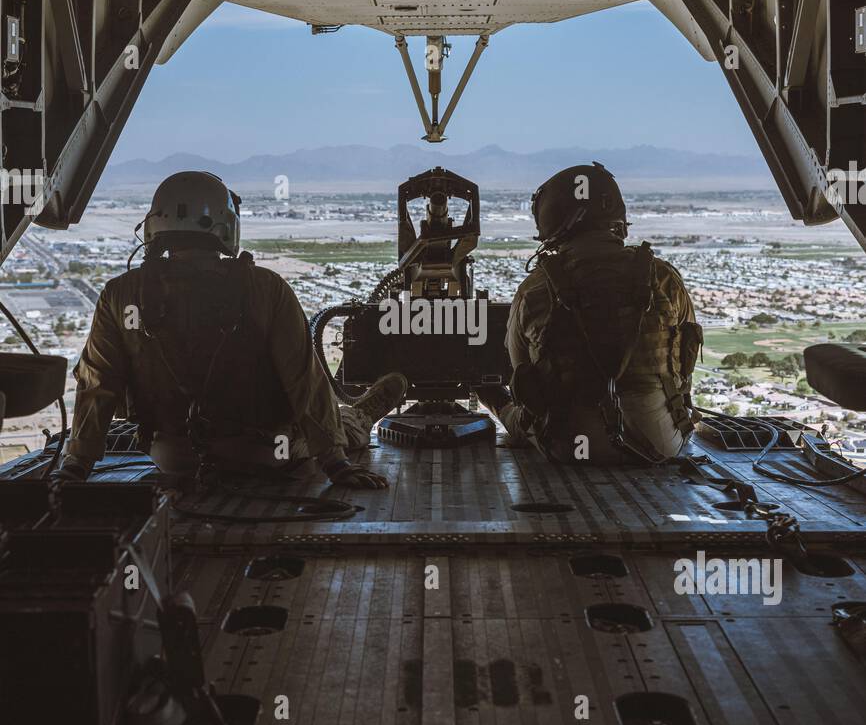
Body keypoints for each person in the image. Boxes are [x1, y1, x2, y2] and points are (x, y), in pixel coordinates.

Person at [58, 171, 405, 488]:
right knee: (340, 425)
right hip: (266, 454)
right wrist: (338, 465)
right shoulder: (266, 288)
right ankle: (359, 419)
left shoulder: (120, 294)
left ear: (153, 225)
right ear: (226, 227)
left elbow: (97, 384)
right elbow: (305, 382)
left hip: (171, 458)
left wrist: (75, 465)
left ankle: (353, 419)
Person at [479, 163, 703, 465]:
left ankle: (489, 399)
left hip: (571, 446)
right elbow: (685, 362)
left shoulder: (534, 290)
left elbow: (524, 382)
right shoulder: (662, 278)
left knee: (516, 415)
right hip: (659, 443)